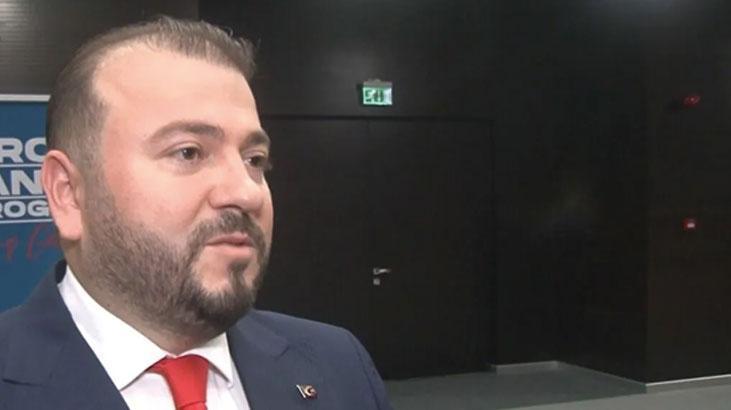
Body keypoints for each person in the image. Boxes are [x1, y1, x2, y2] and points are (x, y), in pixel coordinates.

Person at [0, 16, 391, 410]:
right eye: (188, 152)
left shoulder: (338, 365)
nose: (246, 192)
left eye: (254, 159)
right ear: (68, 193)